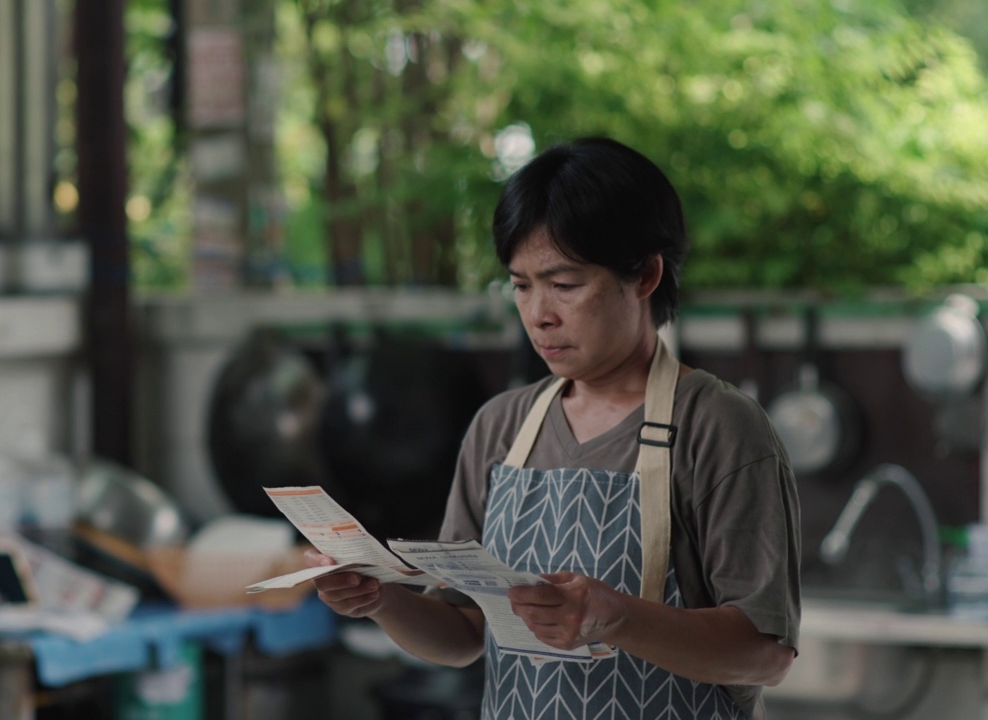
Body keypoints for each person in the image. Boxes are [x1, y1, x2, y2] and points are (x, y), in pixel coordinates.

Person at [306, 136, 801, 719]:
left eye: (565, 285)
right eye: (521, 285)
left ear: (644, 276)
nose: (539, 314)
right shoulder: (502, 426)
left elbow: (767, 653)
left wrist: (617, 616)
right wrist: (381, 599)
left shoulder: (718, 426)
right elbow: (462, 635)